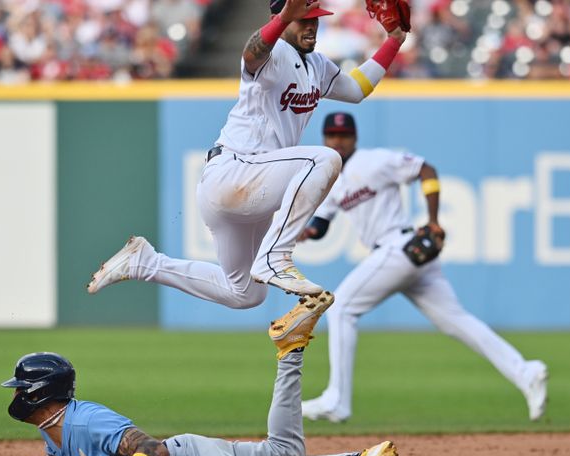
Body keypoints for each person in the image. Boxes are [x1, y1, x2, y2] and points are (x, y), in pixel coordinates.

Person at [87, 0, 409, 313]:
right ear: (282, 17)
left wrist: (394, 40)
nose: (312, 25)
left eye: (315, 18)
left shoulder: (318, 65)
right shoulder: (274, 52)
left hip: (253, 188)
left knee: (245, 293)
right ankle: (277, 255)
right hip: (235, 171)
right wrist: (284, 18)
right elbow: (252, 53)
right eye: (304, 18)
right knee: (325, 160)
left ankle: (145, 262)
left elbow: (356, 89)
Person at [0, 295, 399, 456]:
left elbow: (154, 448)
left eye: (19, 388)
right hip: (193, 454)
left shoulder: (86, 421)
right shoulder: (57, 429)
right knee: (281, 453)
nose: (15, 396)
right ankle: (291, 352)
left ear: (40, 393)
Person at [299, 112, 549, 423]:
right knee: (455, 321)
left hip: (399, 248)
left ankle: (337, 400)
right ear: (324, 139)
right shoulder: (333, 179)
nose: (339, 141)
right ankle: (526, 371)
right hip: (403, 257)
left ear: (355, 138)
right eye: (333, 136)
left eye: (345, 135)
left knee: (341, 309)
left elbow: (425, 169)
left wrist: (432, 220)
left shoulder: (375, 161)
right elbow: (322, 222)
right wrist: (307, 232)